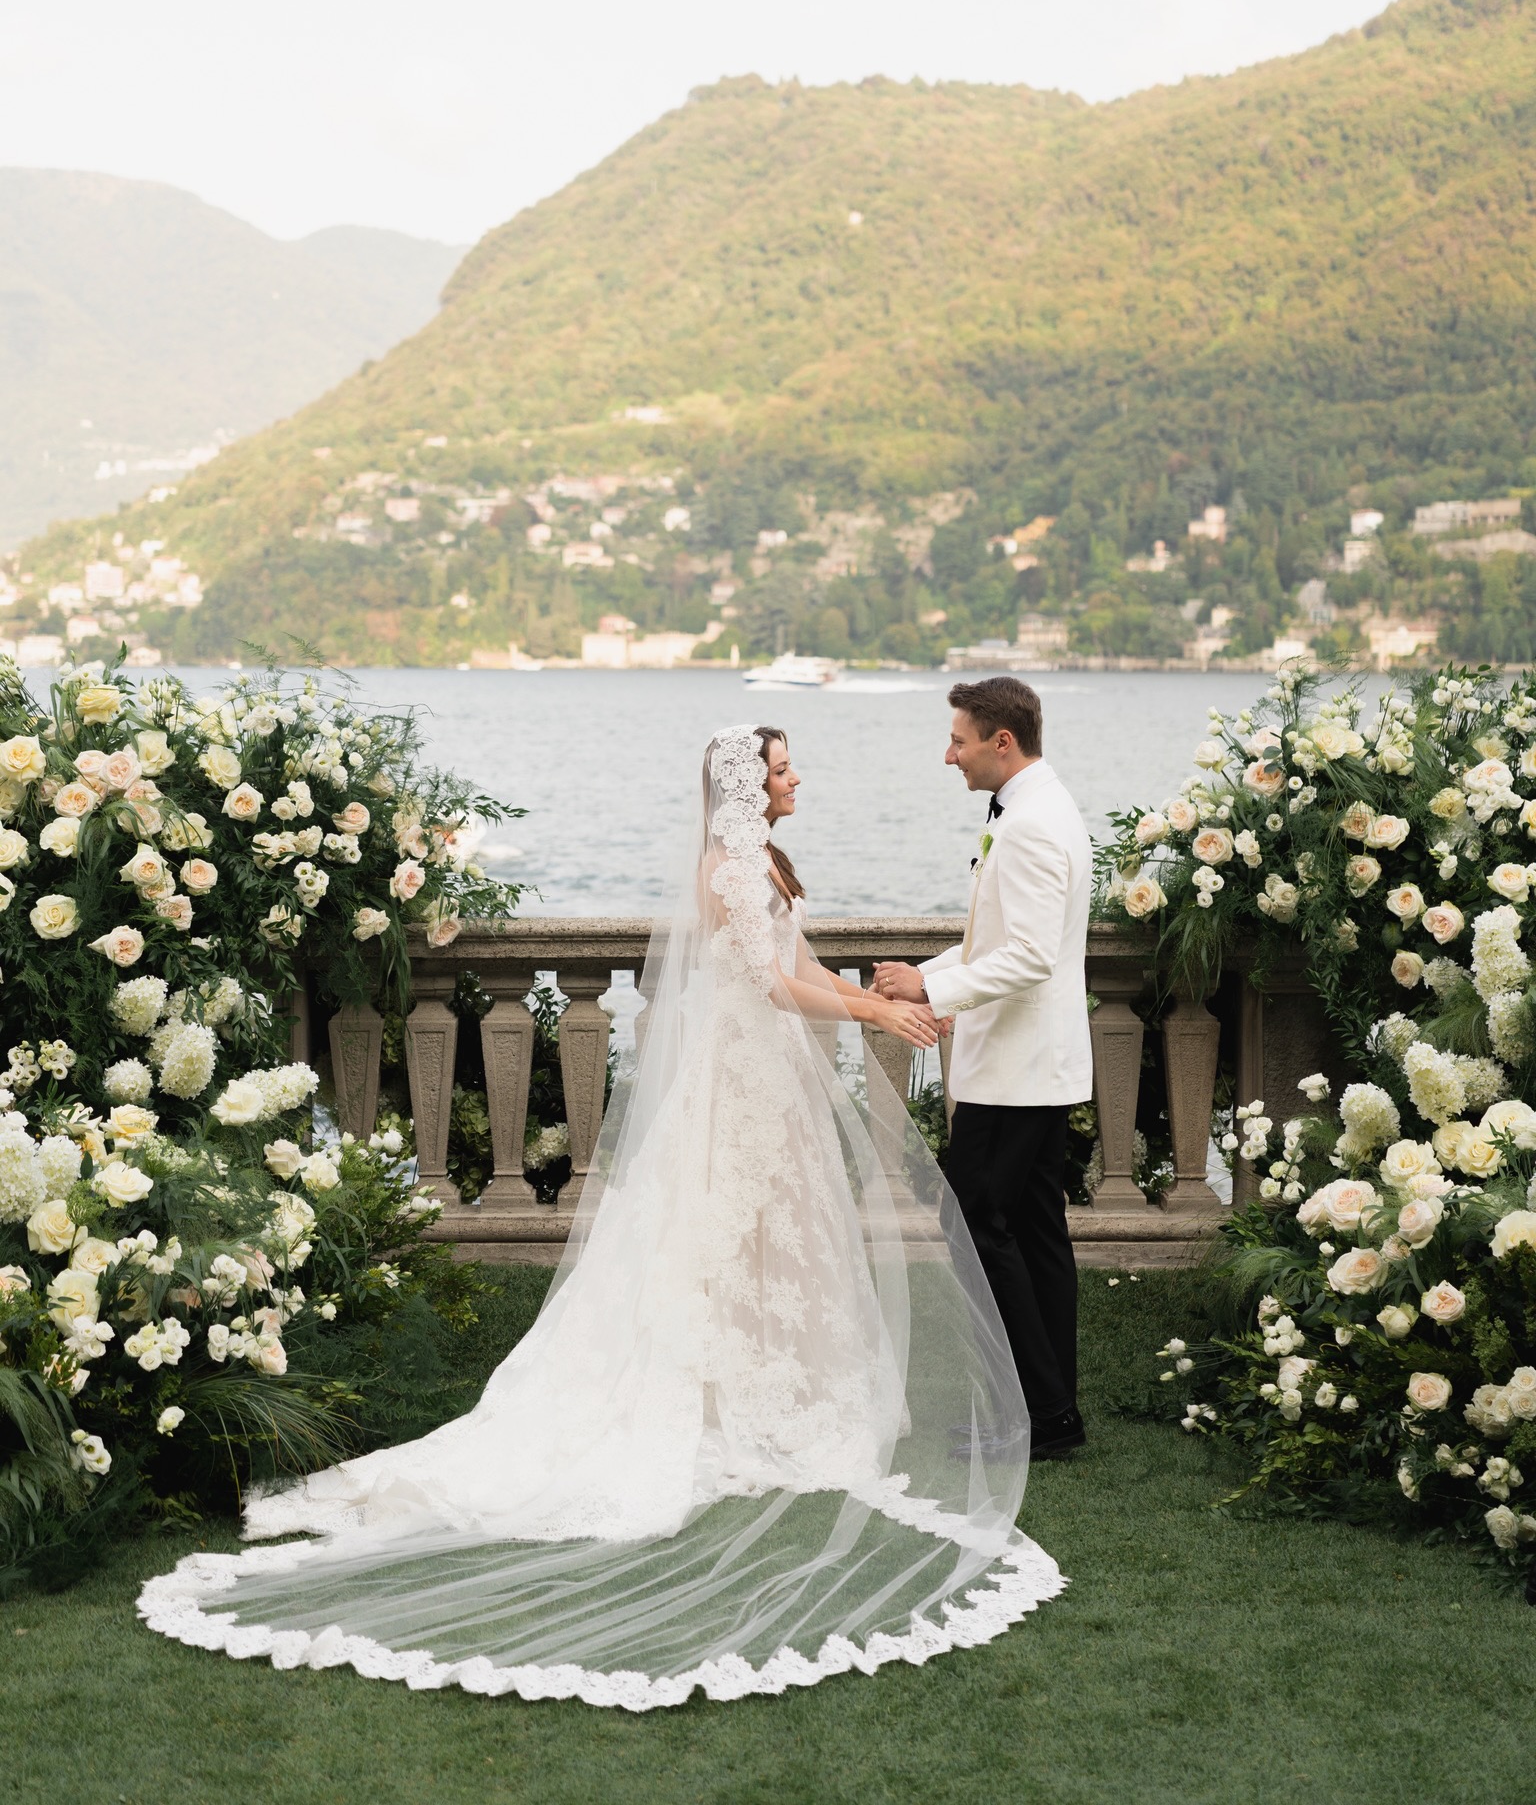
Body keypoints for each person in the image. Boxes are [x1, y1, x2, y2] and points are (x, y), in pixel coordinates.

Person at [139, 724, 1063, 1708]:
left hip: (772, 1083)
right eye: (783, 768)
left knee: (772, 1240)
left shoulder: (763, 864)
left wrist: (886, 995)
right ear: (745, 789)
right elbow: (773, 986)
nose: (797, 778)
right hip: (739, 1084)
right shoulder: (726, 871)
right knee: (717, 1237)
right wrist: (879, 1014)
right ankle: (722, 1395)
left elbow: (804, 966)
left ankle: (768, 1386)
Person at [873, 677, 1093, 1460]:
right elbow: (997, 942)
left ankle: (1037, 1411)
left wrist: (933, 991)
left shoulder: (1029, 825)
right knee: (1035, 1234)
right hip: (1033, 1064)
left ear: (1003, 741)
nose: (949, 755)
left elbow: (1030, 957)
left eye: (958, 741)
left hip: (1014, 1070)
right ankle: (1050, 1413)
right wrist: (925, 975)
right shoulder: (1041, 807)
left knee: (971, 1224)